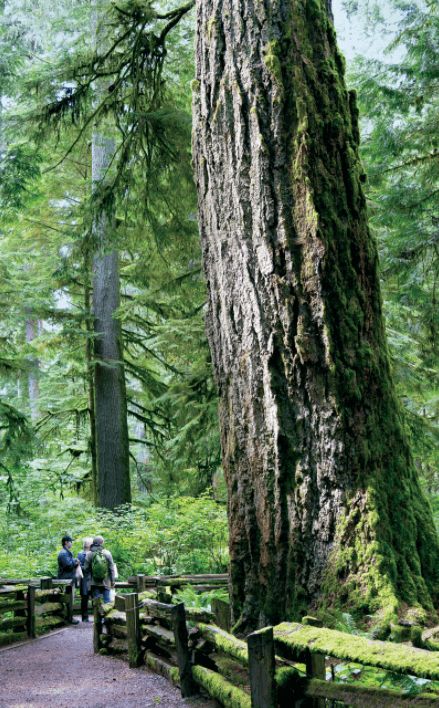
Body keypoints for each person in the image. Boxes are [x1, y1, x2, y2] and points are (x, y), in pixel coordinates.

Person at [83, 535, 115, 604]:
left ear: (93, 543)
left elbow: (85, 569)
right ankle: (106, 614)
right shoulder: (107, 553)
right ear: (102, 543)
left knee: (96, 603)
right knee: (107, 602)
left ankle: (97, 614)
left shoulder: (89, 554)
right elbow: (111, 568)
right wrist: (112, 581)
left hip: (94, 583)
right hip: (106, 583)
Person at [57, 535, 79, 624]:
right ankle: (69, 618)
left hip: (68, 579)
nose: (71, 543)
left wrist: (74, 561)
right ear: (66, 542)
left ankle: (68, 618)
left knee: (69, 599)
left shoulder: (66, 552)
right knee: (68, 599)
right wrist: (75, 562)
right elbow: (68, 565)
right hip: (66, 580)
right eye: (70, 541)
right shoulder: (63, 553)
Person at [77, 536, 93, 622]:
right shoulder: (82, 554)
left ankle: (87, 617)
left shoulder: (81, 554)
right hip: (87, 578)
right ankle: (85, 617)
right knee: (86, 598)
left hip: (88, 579)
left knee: (88, 598)